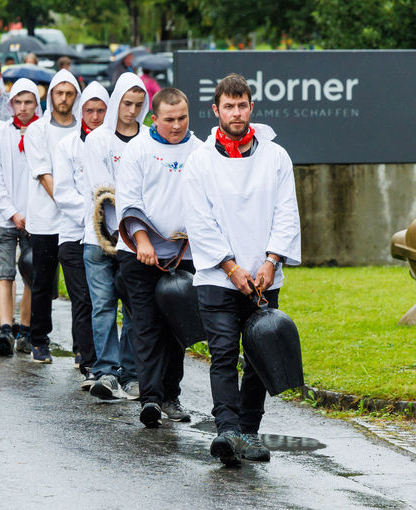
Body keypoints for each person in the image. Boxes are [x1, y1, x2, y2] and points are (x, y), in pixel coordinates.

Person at [184, 73, 301, 466]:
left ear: (252, 107)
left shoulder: (276, 156)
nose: (236, 112)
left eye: (242, 105)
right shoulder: (199, 160)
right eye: (228, 106)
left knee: (257, 357)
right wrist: (231, 267)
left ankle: (250, 432)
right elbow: (199, 221)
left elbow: (286, 213)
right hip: (217, 276)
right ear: (215, 110)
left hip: (264, 277)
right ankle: (226, 430)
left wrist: (271, 261)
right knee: (222, 355)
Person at [115, 88, 203, 426]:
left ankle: (170, 395)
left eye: (182, 118)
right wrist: (142, 240)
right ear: (155, 118)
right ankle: (150, 399)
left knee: (176, 329)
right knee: (147, 324)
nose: (177, 125)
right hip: (140, 255)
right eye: (170, 119)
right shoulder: (138, 149)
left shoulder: (200, 151)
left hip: (184, 255)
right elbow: (128, 199)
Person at [81, 72, 148, 400]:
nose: (132, 111)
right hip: (99, 238)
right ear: (116, 101)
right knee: (104, 305)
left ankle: (132, 372)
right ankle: (106, 371)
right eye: (126, 103)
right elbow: (102, 189)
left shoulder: (148, 139)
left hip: (137, 242)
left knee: (134, 306)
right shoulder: (98, 140)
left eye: (138, 104)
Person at [51, 81, 108, 387]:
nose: (96, 116)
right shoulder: (67, 147)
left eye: (101, 110)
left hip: (109, 237)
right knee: (83, 299)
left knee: (105, 300)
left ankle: (108, 359)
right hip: (74, 235)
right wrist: (95, 214)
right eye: (90, 110)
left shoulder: (114, 143)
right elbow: (62, 192)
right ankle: (87, 359)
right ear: (80, 111)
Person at [23, 69, 81, 363]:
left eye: (69, 93)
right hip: (47, 218)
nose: (64, 98)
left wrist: (80, 212)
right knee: (42, 282)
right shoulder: (38, 130)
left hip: (78, 224)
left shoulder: (83, 129)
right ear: (51, 96)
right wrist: (70, 203)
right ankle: (39, 339)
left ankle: (82, 347)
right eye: (59, 92)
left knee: (78, 288)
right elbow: (43, 173)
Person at [0, 78, 40, 356]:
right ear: (10, 104)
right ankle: (6, 329)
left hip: (36, 218)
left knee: (30, 275)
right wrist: (12, 213)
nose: (23, 107)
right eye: (18, 101)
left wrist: (31, 214)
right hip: (2, 217)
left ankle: (26, 330)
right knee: (3, 275)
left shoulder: (42, 134)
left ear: (36, 104)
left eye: (28, 101)